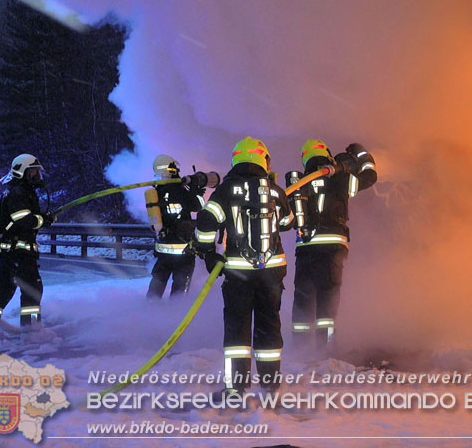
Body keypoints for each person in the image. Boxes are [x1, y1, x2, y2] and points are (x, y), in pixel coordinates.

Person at [194, 137, 295, 395]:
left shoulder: (227, 190)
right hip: (271, 274)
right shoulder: (275, 190)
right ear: (264, 159)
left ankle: (236, 388)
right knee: (269, 325)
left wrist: (208, 253)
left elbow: (207, 220)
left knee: (237, 329)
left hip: (238, 274)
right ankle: (271, 384)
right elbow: (288, 223)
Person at [286, 140, 377, 353]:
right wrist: (360, 153)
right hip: (333, 247)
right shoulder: (341, 179)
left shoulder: (300, 182)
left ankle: (299, 349)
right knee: (327, 296)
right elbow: (370, 176)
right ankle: (324, 350)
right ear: (327, 155)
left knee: (303, 296)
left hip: (306, 247)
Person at [0, 154, 55, 335]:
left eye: (36, 173)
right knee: (32, 288)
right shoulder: (19, 192)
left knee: (3, 288)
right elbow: (23, 219)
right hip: (19, 252)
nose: (36, 176)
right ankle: (32, 332)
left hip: (11, 251)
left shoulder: (15, 190)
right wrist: (43, 220)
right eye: (33, 172)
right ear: (22, 172)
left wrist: (43, 219)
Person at [146, 155, 206, 301]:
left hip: (163, 250)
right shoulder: (181, 190)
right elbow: (199, 206)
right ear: (172, 168)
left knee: (157, 284)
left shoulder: (156, 192)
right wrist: (195, 190)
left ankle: (148, 312)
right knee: (180, 291)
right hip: (183, 251)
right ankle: (176, 317)